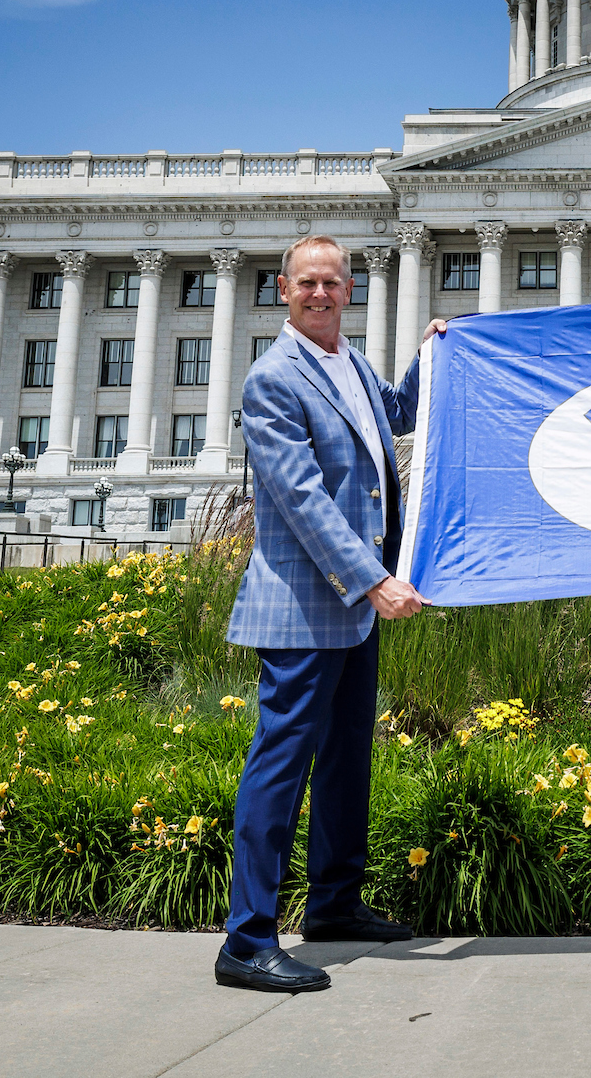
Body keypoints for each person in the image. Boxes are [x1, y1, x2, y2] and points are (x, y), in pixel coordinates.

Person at [214, 234, 442, 994]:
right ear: (283, 289)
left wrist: (432, 355)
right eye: (307, 282)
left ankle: (335, 905)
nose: (321, 294)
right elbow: (300, 499)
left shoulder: (349, 363)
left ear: (351, 290)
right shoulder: (273, 378)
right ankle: (246, 941)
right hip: (303, 607)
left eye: (334, 283)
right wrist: (373, 579)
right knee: (279, 768)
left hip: (352, 610)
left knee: (348, 761)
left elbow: (401, 413)